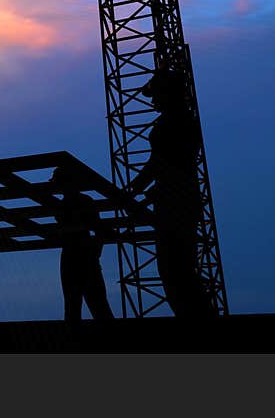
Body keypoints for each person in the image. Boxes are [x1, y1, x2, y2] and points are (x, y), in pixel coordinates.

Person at [127, 67, 214, 318]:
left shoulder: (177, 122)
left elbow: (162, 162)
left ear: (169, 93)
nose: (154, 101)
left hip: (176, 200)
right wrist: (142, 188)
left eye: (157, 94)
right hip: (175, 197)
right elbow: (163, 163)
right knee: (178, 270)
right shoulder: (179, 120)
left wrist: (137, 188)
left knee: (176, 270)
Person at [51, 166, 114, 323]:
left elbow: (98, 230)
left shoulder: (63, 206)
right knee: (96, 305)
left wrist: (95, 251)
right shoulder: (82, 201)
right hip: (82, 254)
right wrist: (96, 251)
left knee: (76, 306)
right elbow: (99, 230)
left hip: (73, 255)